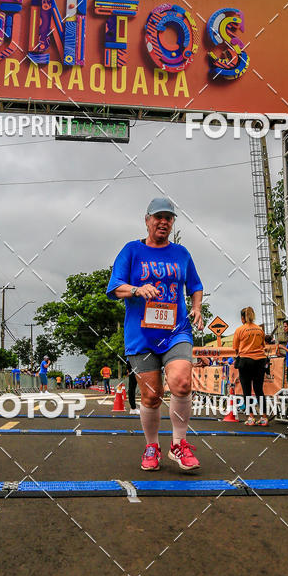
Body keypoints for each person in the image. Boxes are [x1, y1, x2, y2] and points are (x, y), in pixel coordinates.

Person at [106, 196, 204, 471]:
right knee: (151, 395)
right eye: (158, 217)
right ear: (147, 220)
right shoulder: (131, 250)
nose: (163, 222)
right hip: (142, 335)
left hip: (176, 331)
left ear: (172, 223)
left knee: (182, 382)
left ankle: (179, 445)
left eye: (169, 218)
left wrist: (196, 307)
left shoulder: (181, 254)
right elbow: (114, 288)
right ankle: (152, 446)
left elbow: (195, 285)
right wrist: (137, 289)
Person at [232, 307, 268, 426]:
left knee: (247, 390)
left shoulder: (239, 330)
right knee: (259, 390)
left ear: (242, 318)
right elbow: (263, 345)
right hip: (260, 361)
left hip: (245, 360)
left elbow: (236, 348)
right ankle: (264, 417)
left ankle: (251, 417)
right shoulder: (259, 330)